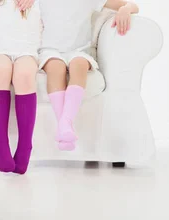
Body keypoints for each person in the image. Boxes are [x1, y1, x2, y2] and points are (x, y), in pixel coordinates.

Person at [40, 0, 138, 151]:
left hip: (79, 51)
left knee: (79, 65)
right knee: (55, 67)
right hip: (49, 50)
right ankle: (64, 126)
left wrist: (125, 10)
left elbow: (132, 5)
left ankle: (65, 123)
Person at [0, 0, 41, 174]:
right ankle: (1, 145)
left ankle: (25, 145)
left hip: (28, 51)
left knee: (24, 74)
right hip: (1, 51)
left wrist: (128, 7)